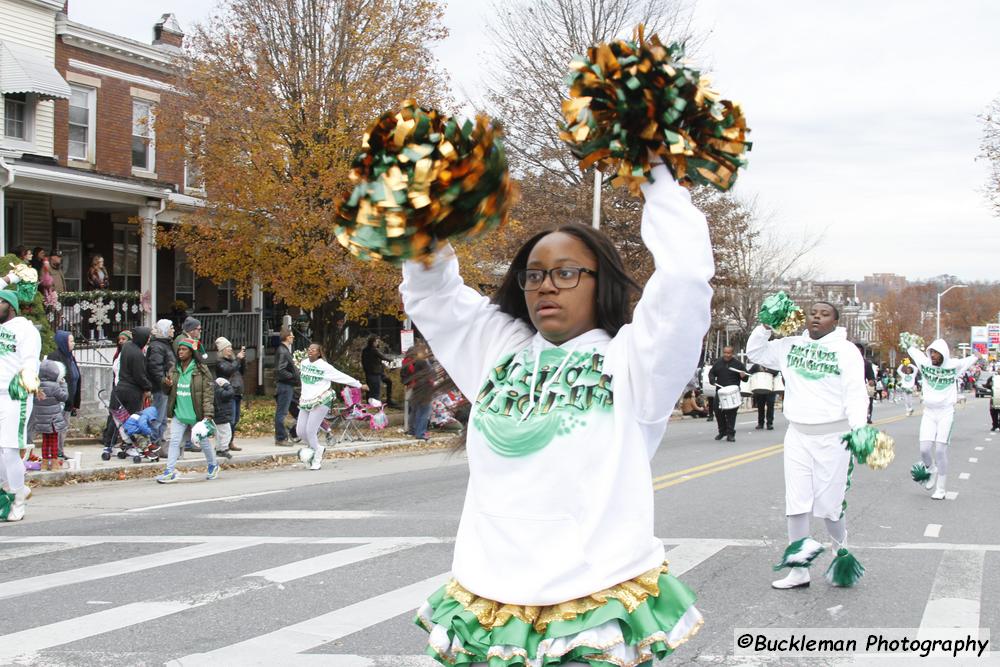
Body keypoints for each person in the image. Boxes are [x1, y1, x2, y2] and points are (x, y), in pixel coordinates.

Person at [402, 160, 710, 664]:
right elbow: (432, 293)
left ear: (599, 281)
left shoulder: (636, 360)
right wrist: (423, 209)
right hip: (490, 594)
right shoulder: (497, 348)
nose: (547, 285)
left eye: (567, 273)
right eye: (535, 274)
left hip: (591, 592)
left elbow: (683, 281)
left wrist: (655, 171)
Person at [747, 301, 869, 590]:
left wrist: (859, 428)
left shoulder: (846, 351)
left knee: (829, 506)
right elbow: (755, 352)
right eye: (813, 312)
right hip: (798, 435)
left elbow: (855, 393)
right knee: (797, 501)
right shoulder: (790, 346)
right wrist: (766, 325)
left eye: (824, 314)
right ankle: (799, 569)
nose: (817, 317)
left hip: (834, 437)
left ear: (836, 322)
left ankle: (841, 553)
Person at [906, 340, 980, 500]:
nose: (932, 355)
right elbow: (912, 350)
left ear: (943, 354)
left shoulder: (954, 365)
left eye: (935, 353)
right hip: (929, 412)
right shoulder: (924, 363)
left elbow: (970, 360)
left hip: (946, 412)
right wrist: (908, 342)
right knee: (924, 449)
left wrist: (977, 354)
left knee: (940, 450)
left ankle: (941, 488)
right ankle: (931, 470)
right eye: (931, 352)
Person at [0, 287, 41, 522]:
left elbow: (29, 362)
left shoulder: (25, 329)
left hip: (14, 395)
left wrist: (26, 385)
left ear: (10, 305)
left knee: (9, 449)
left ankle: (18, 501)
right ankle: (15, 488)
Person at [155, 338, 218, 483]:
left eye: (184, 349)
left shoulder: (201, 370)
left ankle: (213, 465)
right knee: (175, 441)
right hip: (179, 413)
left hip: (196, 414)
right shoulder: (174, 369)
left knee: (203, 442)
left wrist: (208, 415)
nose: (180, 352)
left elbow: (208, 394)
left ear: (191, 352)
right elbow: (167, 390)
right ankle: (170, 471)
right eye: (179, 349)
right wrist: (167, 384)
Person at [297, 343, 364, 470]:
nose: (310, 351)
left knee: (311, 431)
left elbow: (340, 376)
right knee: (300, 432)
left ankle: (316, 459)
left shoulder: (324, 366)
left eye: (314, 350)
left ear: (319, 353)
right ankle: (317, 448)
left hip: (321, 400)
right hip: (306, 400)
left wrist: (358, 385)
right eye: (309, 349)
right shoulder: (304, 363)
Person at [28, 360, 68, 471]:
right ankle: (54, 463)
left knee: (45, 441)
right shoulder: (55, 386)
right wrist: (64, 384)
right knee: (54, 441)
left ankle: (44, 464)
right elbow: (64, 397)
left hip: (41, 420)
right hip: (53, 419)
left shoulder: (36, 386)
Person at [46, 331, 80, 459]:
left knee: (63, 427)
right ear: (63, 342)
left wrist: (75, 402)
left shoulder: (70, 357)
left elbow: (76, 378)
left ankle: (59, 451)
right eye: (71, 341)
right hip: (59, 399)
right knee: (57, 427)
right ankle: (55, 452)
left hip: (69, 399)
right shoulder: (55, 357)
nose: (73, 343)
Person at [145, 320, 176, 449]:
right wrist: (164, 381)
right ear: (164, 329)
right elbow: (155, 368)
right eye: (171, 328)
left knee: (163, 417)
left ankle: (160, 442)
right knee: (158, 417)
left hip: (165, 387)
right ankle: (154, 443)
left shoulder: (166, 344)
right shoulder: (157, 346)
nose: (173, 330)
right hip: (159, 387)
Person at [708, 346, 748, 442]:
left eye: (729, 353)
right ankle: (722, 431)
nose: (727, 355)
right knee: (717, 411)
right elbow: (711, 373)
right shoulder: (718, 363)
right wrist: (712, 380)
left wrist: (743, 376)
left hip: (733, 392)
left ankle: (730, 434)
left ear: (732, 353)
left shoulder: (738, 364)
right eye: (725, 353)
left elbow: (746, 379)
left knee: (731, 413)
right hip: (720, 391)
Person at [214, 337, 246, 451]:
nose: (230, 349)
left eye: (231, 347)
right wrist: (237, 359)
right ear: (222, 350)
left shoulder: (234, 361)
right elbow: (229, 370)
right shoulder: (220, 363)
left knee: (236, 419)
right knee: (229, 419)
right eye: (228, 347)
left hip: (237, 392)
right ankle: (224, 443)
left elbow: (241, 371)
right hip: (228, 394)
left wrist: (242, 359)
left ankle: (230, 441)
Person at [400, 341, 434, 440]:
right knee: (423, 411)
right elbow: (428, 375)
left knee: (416, 410)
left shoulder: (416, 361)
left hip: (417, 387)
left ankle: (414, 430)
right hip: (423, 389)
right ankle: (420, 433)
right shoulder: (422, 362)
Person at [273, 327, 299, 446]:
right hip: (284, 386)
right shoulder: (283, 351)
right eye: (292, 336)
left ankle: (292, 431)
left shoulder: (283, 350)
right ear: (287, 337)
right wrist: (293, 376)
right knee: (282, 413)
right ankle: (280, 438)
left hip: (287, 385)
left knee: (290, 409)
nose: (293, 338)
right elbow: (281, 370)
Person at [361, 335, 396, 406]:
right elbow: (382, 356)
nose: (377, 343)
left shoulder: (365, 350)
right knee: (375, 390)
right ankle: (374, 404)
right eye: (377, 341)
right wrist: (390, 360)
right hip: (374, 373)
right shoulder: (373, 350)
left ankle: (388, 400)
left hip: (374, 372)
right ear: (373, 342)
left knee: (387, 382)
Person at [749, 363, 779, 430]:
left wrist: (766, 370)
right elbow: (749, 373)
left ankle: (769, 423)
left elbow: (776, 372)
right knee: (760, 406)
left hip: (770, 389)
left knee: (770, 406)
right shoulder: (756, 365)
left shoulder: (772, 365)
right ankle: (760, 423)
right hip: (759, 389)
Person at [212, 375, 235, 459]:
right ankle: (223, 449)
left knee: (218, 434)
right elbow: (230, 393)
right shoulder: (220, 391)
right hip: (222, 416)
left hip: (217, 416)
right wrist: (227, 385)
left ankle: (219, 449)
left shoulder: (214, 389)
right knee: (226, 433)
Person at [856, 343, 876, 424]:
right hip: (846, 388)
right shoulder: (845, 362)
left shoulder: (866, 364)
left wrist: (871, 382)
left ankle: (868, 416)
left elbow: (871, 378)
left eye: (858, 350)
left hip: (860, 388)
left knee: (866, 402)